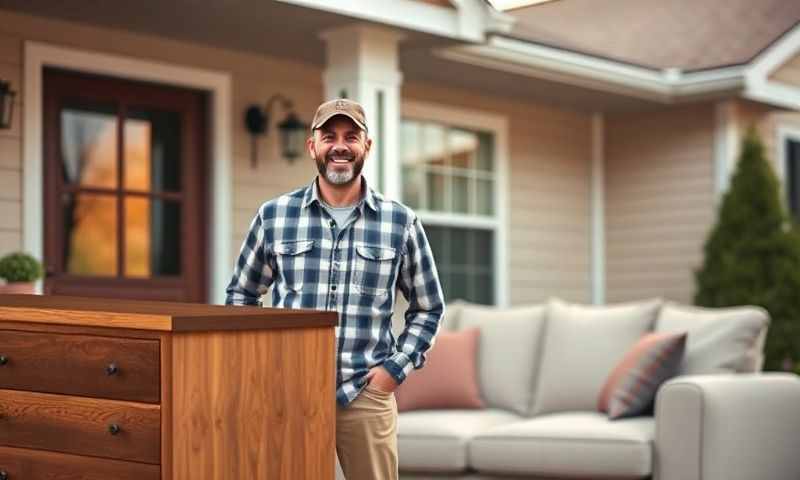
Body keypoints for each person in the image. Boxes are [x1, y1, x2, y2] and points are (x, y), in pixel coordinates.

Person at [225, 98, 445, 479]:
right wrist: (261, 367)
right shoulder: (274, 216)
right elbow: (241, 297)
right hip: (288, 393)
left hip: (366, 393)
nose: (340, 146)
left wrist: (391, 373)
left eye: (351, 136)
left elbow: (428, 308)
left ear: (366, 147)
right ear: (313, 146)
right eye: (329, 136)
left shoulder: (400, 222)